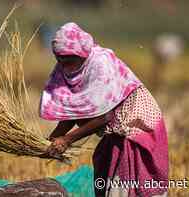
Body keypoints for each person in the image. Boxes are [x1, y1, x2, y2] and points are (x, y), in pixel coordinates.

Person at [39, 22, 168, 197]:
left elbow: (105, 115)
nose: (64, 64)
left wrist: (67, 139)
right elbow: (74, 110)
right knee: (107, 173)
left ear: (81, 54)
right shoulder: (65, 67)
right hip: (115, 131)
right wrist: (51, 141)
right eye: (60, 59)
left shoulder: (100, 63)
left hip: (136, 125)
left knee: (127, 185)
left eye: (69, 60)